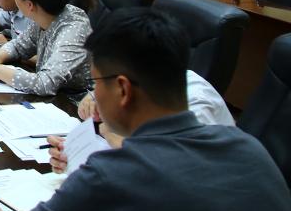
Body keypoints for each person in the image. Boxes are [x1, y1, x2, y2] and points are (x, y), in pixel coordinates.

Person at [0, 7, 291, 211]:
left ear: (122, 89)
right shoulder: (249, 148)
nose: (94, 95)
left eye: (96, 83)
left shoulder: (117, 175)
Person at [51, 68, 235, 172]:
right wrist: (77, 154)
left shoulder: (196, 104)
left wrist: (108, 131)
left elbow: (167, 168)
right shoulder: (142, 86)